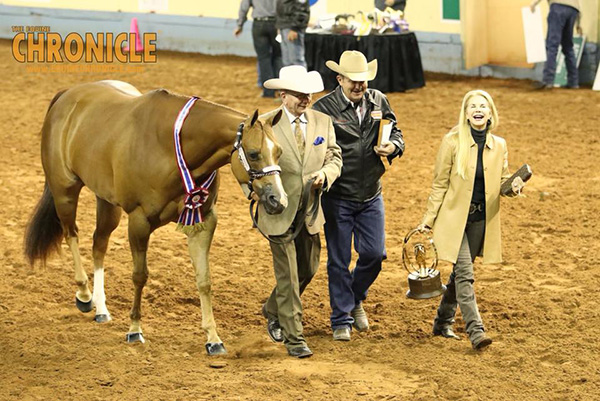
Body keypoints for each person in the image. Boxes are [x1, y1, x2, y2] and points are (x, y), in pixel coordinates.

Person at [418, 90, 525, 350]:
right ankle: (476, 330)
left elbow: (502, 182)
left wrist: (514, 187)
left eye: (483, 106)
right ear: (466, 113)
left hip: (480, 220)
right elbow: (439, 184)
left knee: (458, 275)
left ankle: (442, 321)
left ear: (490, 113)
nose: (478, 110)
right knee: (466, 273)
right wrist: (428, 220)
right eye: (472, 106)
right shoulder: (452, 141)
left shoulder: (499, 144)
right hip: (453, 219)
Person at [312, 50, 405, 342]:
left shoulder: (379, 100)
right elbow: (316, 149)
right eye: (353, 80)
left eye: (363, 80)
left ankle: (354, 298)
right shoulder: (323, 109)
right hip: (337, 195)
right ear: (339, 79)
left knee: (375, 255)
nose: (359, 86)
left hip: (371, 194)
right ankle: (341, 318)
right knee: (339, 260)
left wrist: (394, 146)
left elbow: (395, 131)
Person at [256, 65, 342, 358]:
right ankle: (294, 338)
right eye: (299, 94)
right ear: (282, 95)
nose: (306, 99)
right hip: (278, 212)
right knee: (289, 278)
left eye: (308, 94)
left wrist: (326, 174)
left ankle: (272, 308)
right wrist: (254, 196)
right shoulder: (263, 124)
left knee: (308, 269)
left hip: (310, 210)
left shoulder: (323, 122)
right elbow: (247, 165)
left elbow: (334, 156)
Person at [235, 0, 282, 98]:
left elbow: (244, 7)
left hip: (259, 24)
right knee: (278, 56)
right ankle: (279, 88)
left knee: (263, 58)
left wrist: (240, 25)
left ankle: (268, 92)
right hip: (276, 24)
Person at [530, 0, 582, 89]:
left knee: (552, 45)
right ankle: (573, 82)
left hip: (558, 7)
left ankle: (548, 80)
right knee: (568, 47)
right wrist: (578, 23)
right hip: (573, 10)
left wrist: (534, 3)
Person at [276, 0, 310, 68]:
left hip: (292, 28)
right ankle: (289, 79)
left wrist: (295, 28)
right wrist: (280, 26)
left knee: (296, 61)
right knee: (287, 62)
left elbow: (302, 11)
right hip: (284, 27)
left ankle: (301, 78)